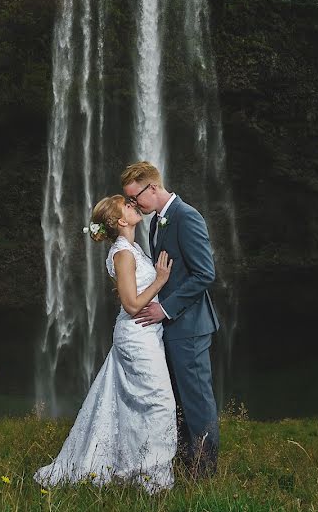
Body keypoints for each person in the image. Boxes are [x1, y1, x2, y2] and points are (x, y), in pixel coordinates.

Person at [34, 195, 177, 492]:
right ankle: (149, 477)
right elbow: (131, 305)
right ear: (121, 221)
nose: (134, 205)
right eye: (127, 205)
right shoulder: (122, 253)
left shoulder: (132, 248)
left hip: (146, 334)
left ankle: (135, 469)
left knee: (135, 403)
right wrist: (161, 280)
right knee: (158, 403)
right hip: (136, 335)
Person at [121, 161, 221, 477]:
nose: (133, 204)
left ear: (152, 187)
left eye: (135, 197)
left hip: (189, 328)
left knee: (197, 401)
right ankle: (184, 463)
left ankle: (204, 473)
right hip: (171, 329)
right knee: (177, 399)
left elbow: (205, 273)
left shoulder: (186, 217)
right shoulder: (156, 222)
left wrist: (164, 309)